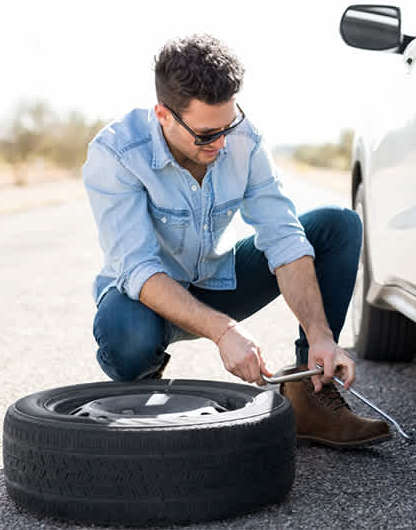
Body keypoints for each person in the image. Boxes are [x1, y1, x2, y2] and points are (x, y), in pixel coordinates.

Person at [82, 34, 390, 448]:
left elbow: (282, 237)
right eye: (207, 134)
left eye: (228, 126)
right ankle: (142, 394)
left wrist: (320, 334)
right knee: (127, 336)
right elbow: (139, 269)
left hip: (216, 279)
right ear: (164, 115)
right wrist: (224, 332)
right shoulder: (116, 153)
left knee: (338, 225)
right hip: (145, 301)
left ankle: (310, 396)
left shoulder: (244, 140)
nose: (222, 143)